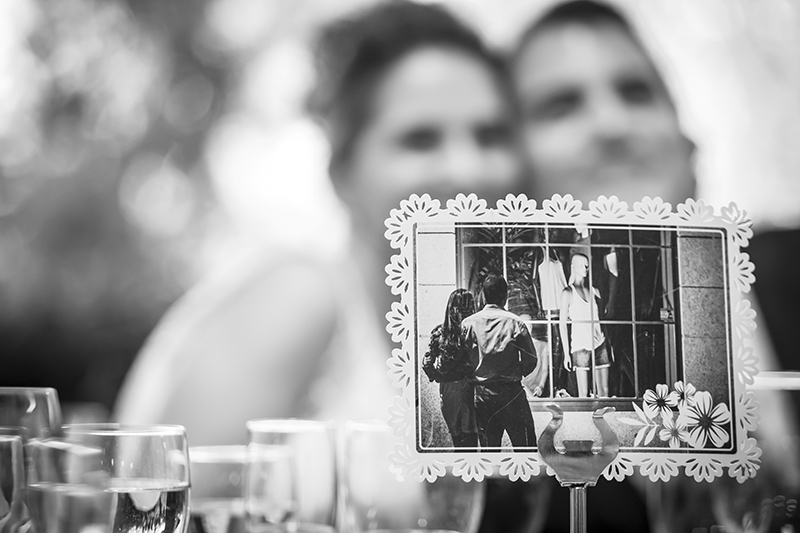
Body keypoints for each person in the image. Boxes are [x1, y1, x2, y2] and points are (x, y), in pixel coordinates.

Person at [114, 0, 523, 444]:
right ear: (341, 172)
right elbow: (165, 482)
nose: (466, 170)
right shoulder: (299, 296)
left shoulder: (467, 313)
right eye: (420, 140)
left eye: (491, 136)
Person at [511, 1, 800, 531]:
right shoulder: (511, 390)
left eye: (636, 93)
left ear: (689, 142)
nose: (612, 124)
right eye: (561, 106)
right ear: (514, 168)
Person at [461, 274, 537, 449]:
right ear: (505, 296)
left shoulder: (468, 324)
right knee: (525, 448)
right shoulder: (515, 323)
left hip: (482, 396)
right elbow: (531, 359)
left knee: (489, 451)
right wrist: (518, 371)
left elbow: (462, 359)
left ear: (483, 295)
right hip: (511, 393)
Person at [422, 288, 478, 448]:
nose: (470, 310)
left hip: (448, 391)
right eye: (467, 306)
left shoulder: (439, 332)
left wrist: (438, 376)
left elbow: (427, 362)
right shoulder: (470, 331)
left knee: (459, 441)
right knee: (470, 441)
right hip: (468, 389)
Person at [559, 253, 609, 398]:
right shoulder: (568, 293)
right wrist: (566, 354)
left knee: (604, 391)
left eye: (586, 265)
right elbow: (562, 325)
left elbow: (601, 319)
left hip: (600, 343)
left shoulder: (594, 291)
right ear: (573, 267)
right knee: (584, 394)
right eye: (581, 264)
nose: (585, 267)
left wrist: (608, 342)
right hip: (580, 346)